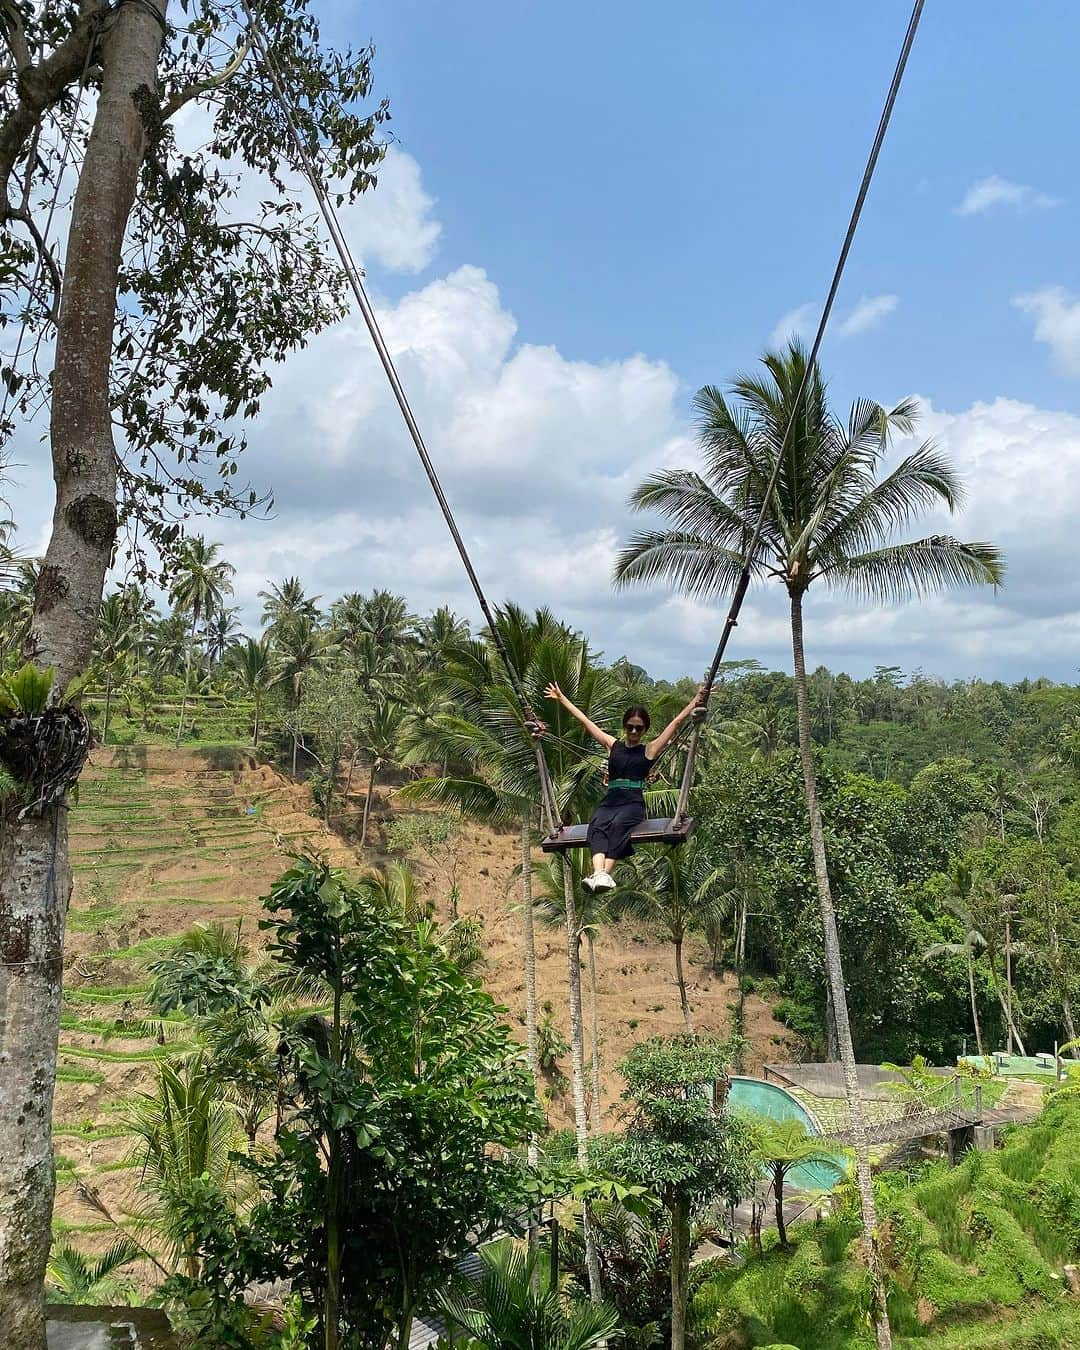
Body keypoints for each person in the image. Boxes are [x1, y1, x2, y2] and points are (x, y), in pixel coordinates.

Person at [543, 680, 708, 891]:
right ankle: (600, 875)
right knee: (597, 824)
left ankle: (601, 875)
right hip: (611, 800)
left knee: (619, 826)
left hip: (632, 803)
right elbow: (585, 721)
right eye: (630, 726)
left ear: (644, 729)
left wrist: (696, 700)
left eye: (638, 728)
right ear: (625, 726)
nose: (633, 731)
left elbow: (674, 723)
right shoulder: (613, 746)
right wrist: (561, 698)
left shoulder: (649, 750)